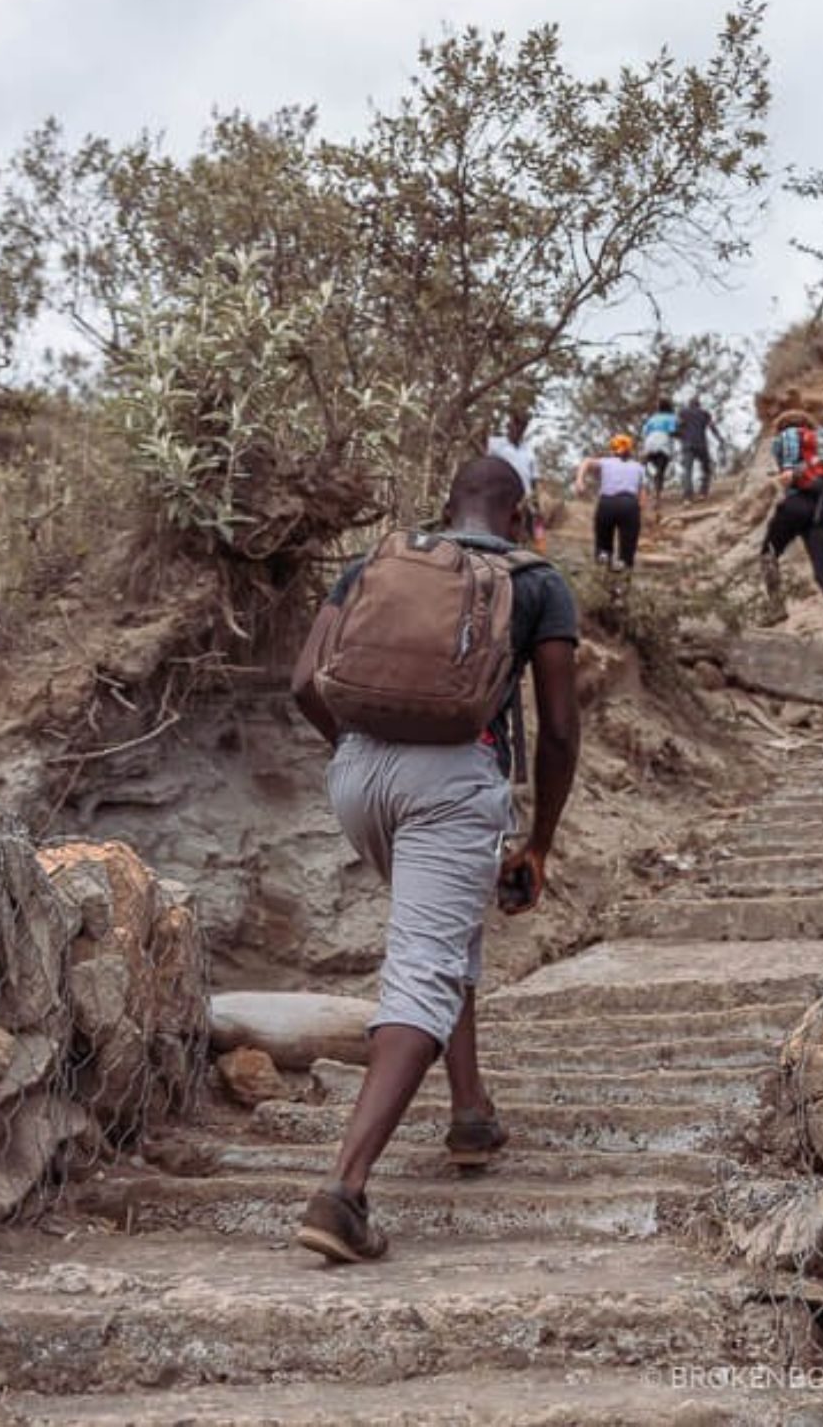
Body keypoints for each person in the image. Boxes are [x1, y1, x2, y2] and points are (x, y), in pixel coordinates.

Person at [289, 457, 580, 1263]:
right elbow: (558, 726)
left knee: (439, 937)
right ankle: (344, 1192)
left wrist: (360, 754)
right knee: (424, 961)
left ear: (444, 506)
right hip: (452, 777)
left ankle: (470, 1110)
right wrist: (542, 840)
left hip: (356, 775)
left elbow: (304, 680)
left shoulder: (377, 563)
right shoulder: (537, 579)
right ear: (518, 516)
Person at [760, 408, 823, 642]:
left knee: (768, 553)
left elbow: (788, 471)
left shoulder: (787, 436)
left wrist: (787, 471)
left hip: (796, 504)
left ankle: (776, 606)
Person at [574, 434, 646, 573]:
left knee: (603, 549)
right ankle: (622, 581)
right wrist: (638, 511)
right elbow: (642, 496)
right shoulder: (639, 467)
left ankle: (603, 577)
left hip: (607, 504)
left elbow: (587, 461)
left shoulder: (606, 462)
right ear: (630, 450)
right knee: (627, 552)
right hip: (629, 505)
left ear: (613, 449)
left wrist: (579, 480)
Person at [484, 405, 545, 550]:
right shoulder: (495, 444)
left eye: (521, 426)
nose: (517, 428)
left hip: (525, 499)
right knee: (502, 536)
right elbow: (485, 467)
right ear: (509, 425)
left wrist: (537, 505)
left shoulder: (529, 451)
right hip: (502, 498)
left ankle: (537, 552)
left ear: (524, 428)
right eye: (515, 424)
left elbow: (534, 479)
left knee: (533, 533)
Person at [676, 397, 726, 502]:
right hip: (701, 444)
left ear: (689, 404)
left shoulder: (683, 413)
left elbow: (678, 428)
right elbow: (712, 426)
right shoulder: (704, 413)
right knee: (706, 469)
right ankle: (703, 493)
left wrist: (682, 437)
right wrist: (719, 438)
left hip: (687, 445)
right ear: (699, 405)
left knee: (687, 471)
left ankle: (687, 497)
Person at [639, 404, 680, 505]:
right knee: (660, 471)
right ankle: (657, 496)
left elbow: (644, 432)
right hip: (662, 443)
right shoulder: (671, 417)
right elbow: (672, 431)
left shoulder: (652, 418)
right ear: (670, 409)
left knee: (642, 467)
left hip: (649, 443)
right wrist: (681, 434)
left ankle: (638, 492)